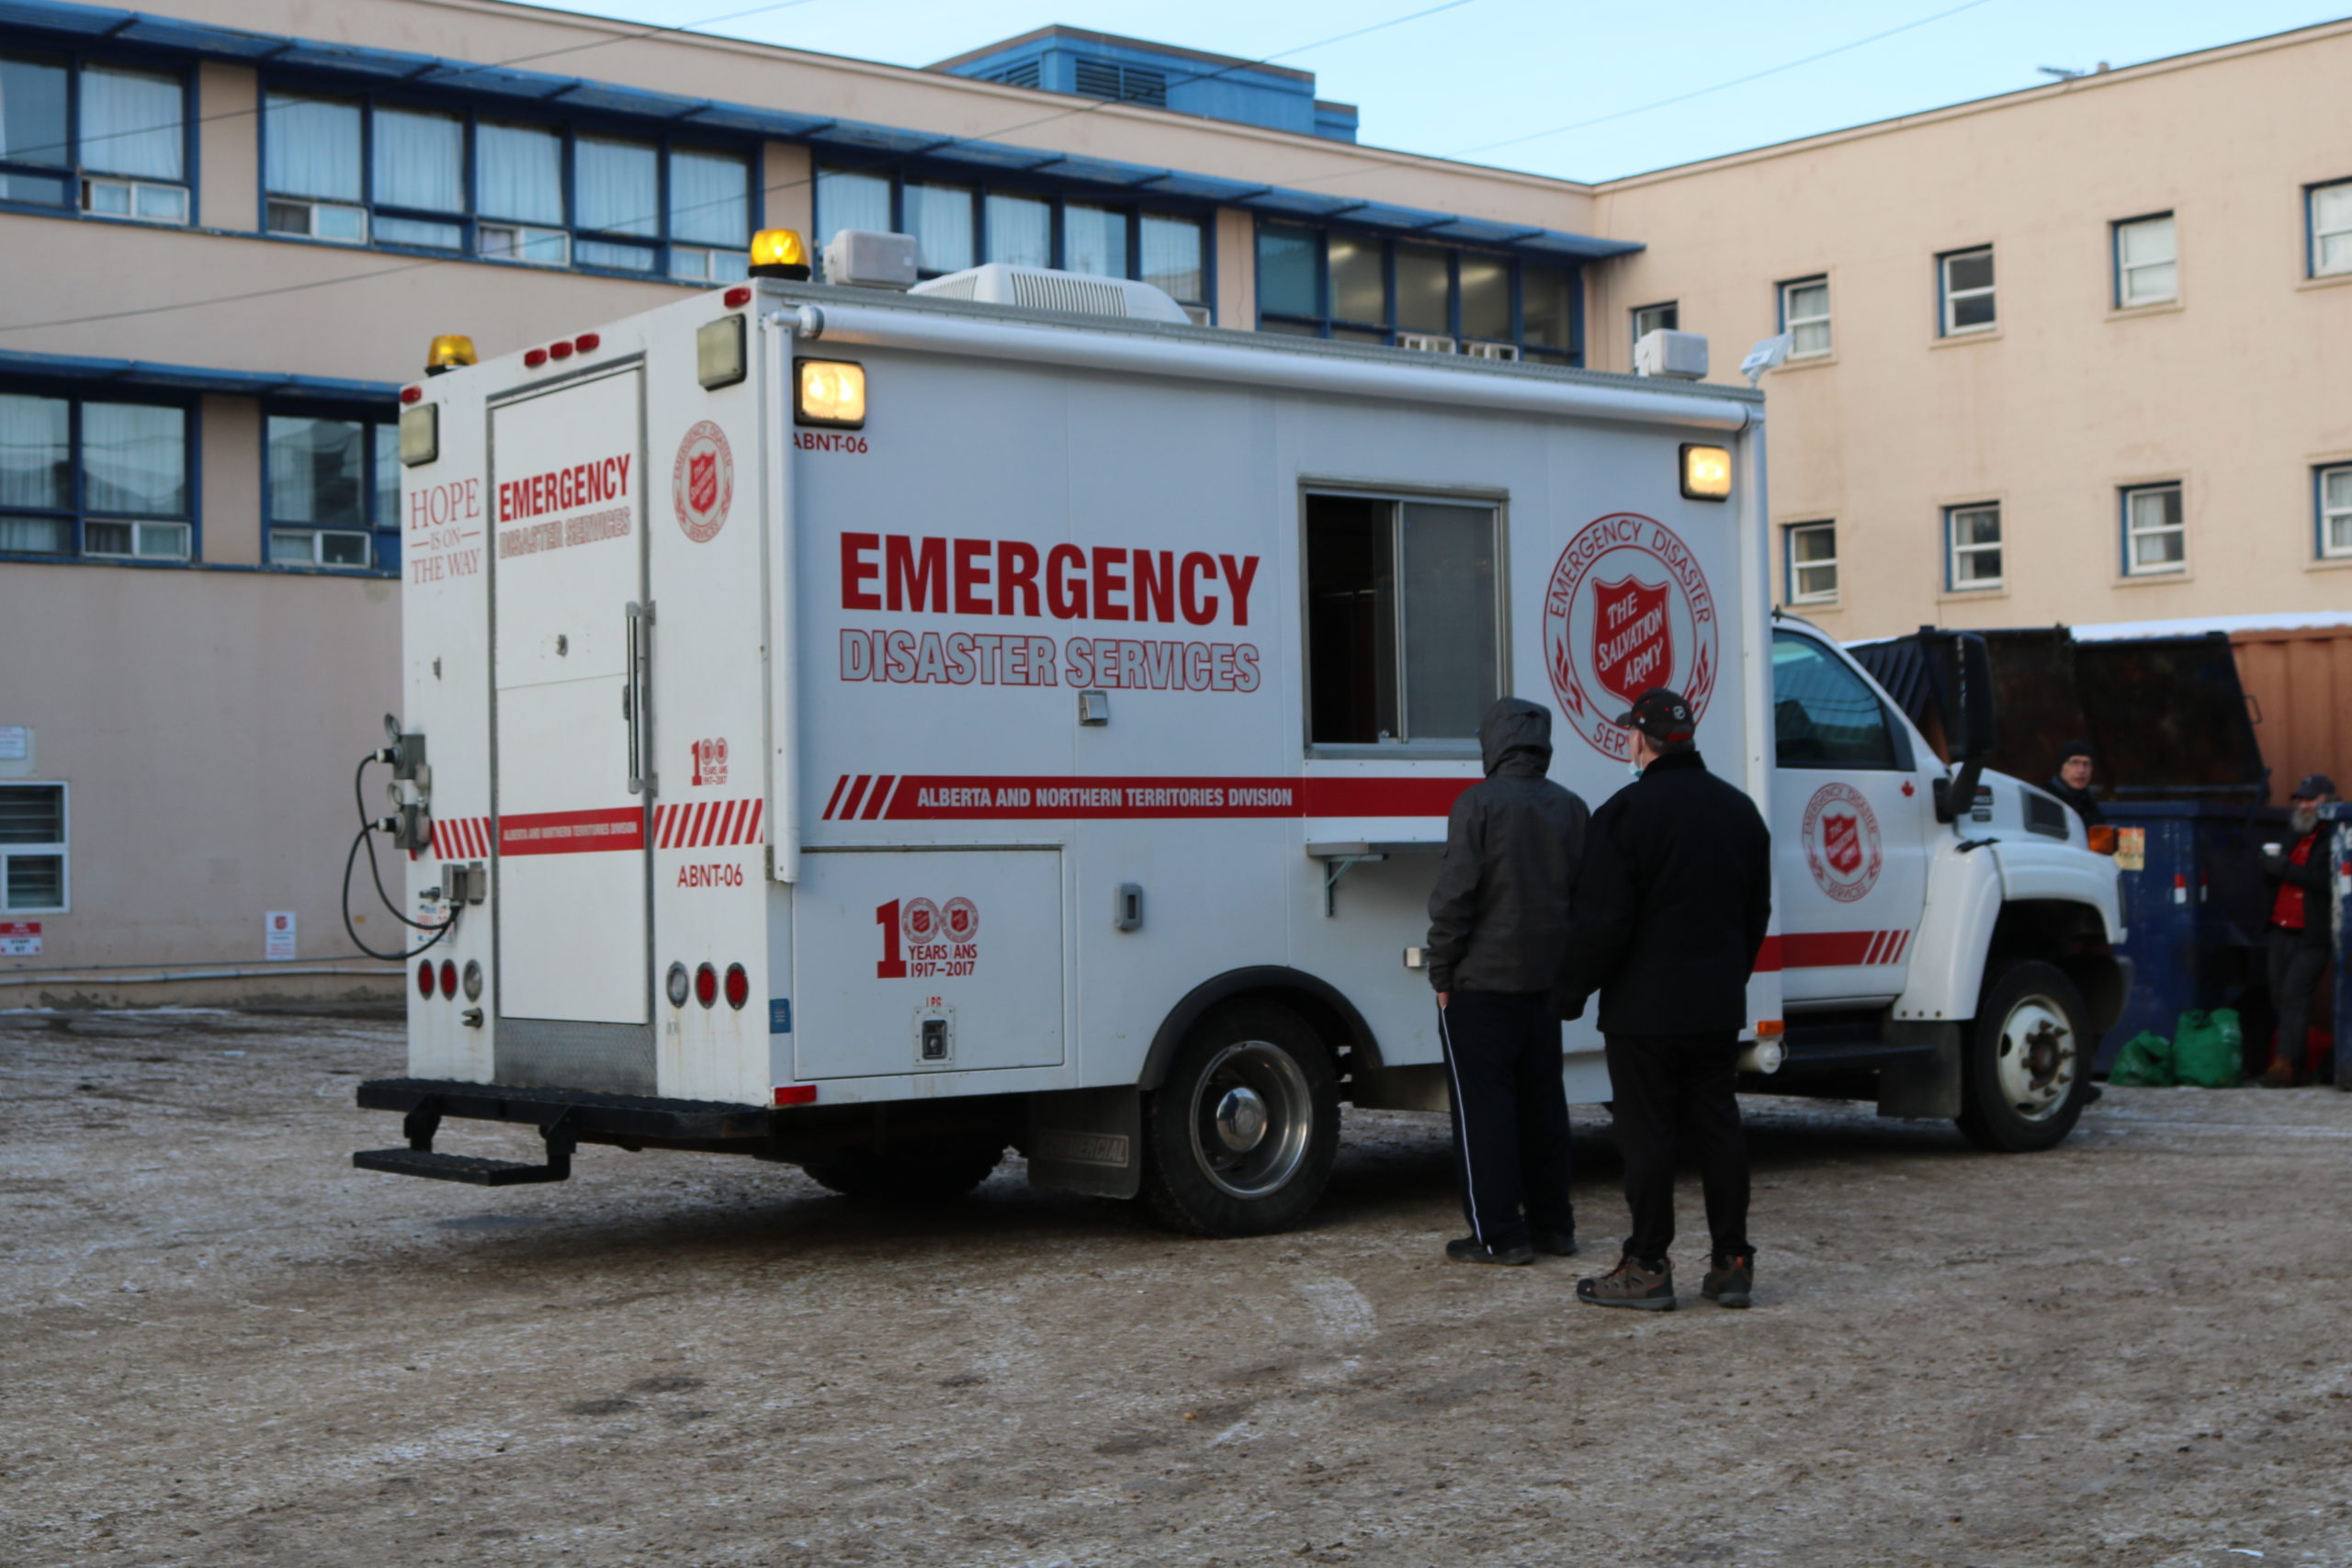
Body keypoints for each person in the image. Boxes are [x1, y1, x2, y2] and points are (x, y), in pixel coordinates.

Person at [1555, 688, 1772, 1311]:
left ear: (1640, 738)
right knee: (1719, 1128)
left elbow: (1602, 921)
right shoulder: (1739, 811)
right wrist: (1731, 975)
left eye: (1629, 732)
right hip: (1713, 1005)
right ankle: (1733, 1261)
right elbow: (1753, 911)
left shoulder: (1623, 814)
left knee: (1647, 1135)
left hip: (1643, 1010)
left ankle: (1648, 1264)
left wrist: (1571, 992)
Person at [1424, 696, 1590, 1266]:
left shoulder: (1477, 804)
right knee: (1545, 1108)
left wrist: (1441, 970)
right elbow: (1583, 901)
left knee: (1484, 1113)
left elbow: (1455, 897)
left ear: (1493, 744)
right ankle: (1554, 1227)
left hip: (1480, 987)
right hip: (1543, 989)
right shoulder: (1571, 807)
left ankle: (1498, 1233)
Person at [2257, 773, 2336, 1088]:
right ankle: (2298, 1064)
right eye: (2302, 799)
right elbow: (2275, 874)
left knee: (2293, 994)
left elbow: (2326, 881)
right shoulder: (2292, 833)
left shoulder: (2335, 837)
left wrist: (2283, 869)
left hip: (2312, 934)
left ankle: (2285, 1066)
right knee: (2280, 993)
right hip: (2282, 928)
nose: (2305, 805)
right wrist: (2268, 865)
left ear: (2328, 801)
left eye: (2311, 799)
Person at [2047, 740, 2105, 829]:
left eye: (2086, 763)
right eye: (2074, 763)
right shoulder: (2046, 798)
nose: (2082, 770)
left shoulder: (2089, 801)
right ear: (2062, 766)